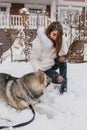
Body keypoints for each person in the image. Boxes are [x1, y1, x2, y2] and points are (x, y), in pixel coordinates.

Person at [30, 21, 68, 94]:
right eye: (54, 34)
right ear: (49, 31)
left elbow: (64, 52)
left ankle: (64, 87)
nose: (55, 37)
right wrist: (40, 73)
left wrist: (61, 38)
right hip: (44, 69)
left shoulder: (56, 40)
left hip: (52, 63)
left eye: (58, 36)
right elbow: (33, 59)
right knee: (58, 79)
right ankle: (57, 79)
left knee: (63, 60)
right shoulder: (39, 42)